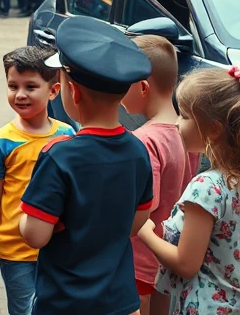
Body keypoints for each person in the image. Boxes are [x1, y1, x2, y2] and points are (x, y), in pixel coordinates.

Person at [137, 66, 240, 314]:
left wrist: (144, 232)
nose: (177, 124)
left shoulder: (206, 187)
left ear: (214, 130)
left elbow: (185, 264)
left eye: (184, 116)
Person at [19, 16, 154, 315]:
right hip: (119, 300)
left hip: (66, 302)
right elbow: (137, 222)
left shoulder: (59, 155)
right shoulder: (138, 149)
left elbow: (36, 235)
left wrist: (25, 219)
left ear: (73, 92)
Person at [0, 46, 75, 315]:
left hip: (58, 246)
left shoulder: (67, 135)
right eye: (13, 86)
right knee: (24, 311)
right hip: (14, 249)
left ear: (53, 91)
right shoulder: (1, 141)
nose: (20, 94)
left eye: (30, 87)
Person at [121, 35, 198, 315]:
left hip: (139, 261)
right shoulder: (187, 133)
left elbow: (144, 204)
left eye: (122, 81)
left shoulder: (144, 140)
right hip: (165, 257)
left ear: (142, 87)